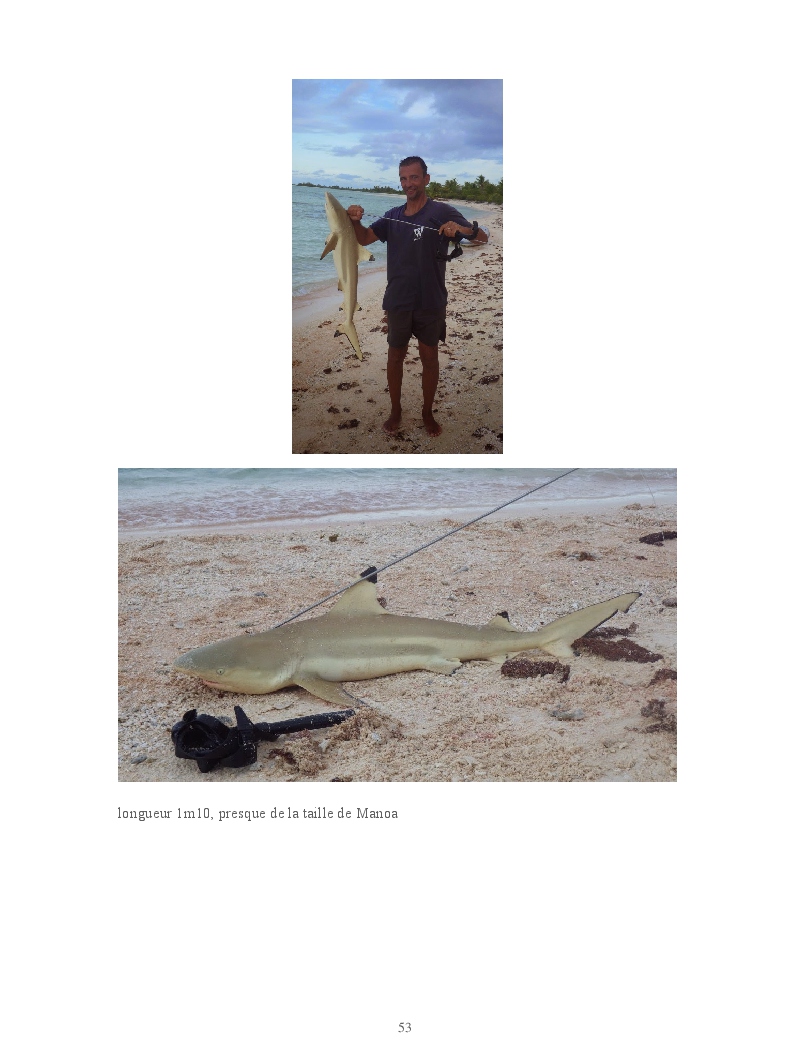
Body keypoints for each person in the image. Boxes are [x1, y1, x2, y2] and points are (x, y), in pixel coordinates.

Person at [346, 156, 488, 437]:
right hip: (398, 299)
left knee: (429, 357)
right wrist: (353, 221)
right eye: (403, 178)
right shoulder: (393, 215)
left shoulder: (442, 211)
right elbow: (364, 238)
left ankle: (427, 412)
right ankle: (395, 410)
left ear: (426, 179)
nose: (408, 183)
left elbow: (481, 237)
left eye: (413, 177)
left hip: (430, 300)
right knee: (395, 356)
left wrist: (461, 229)